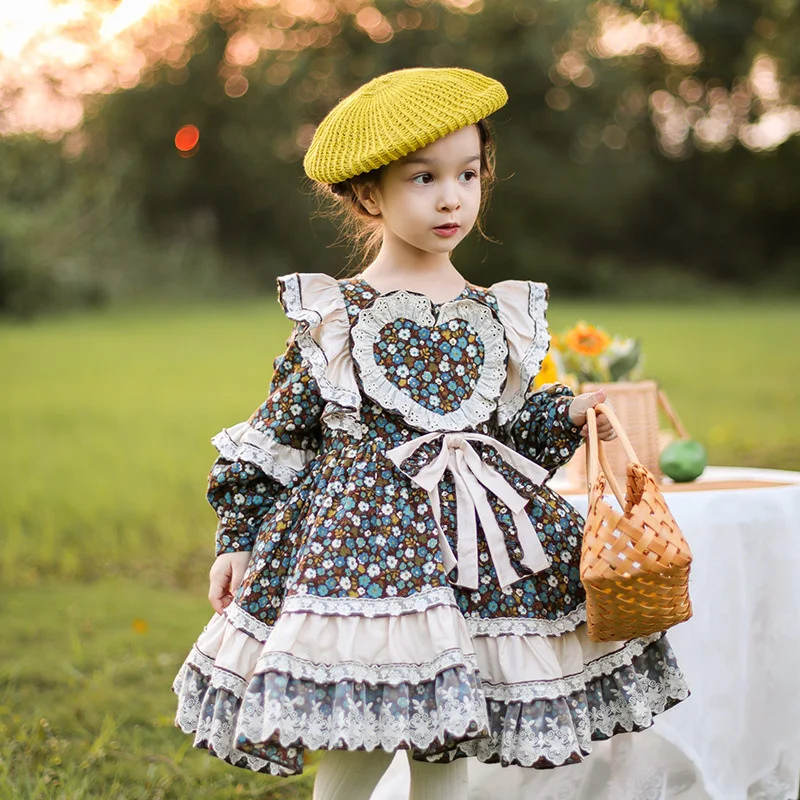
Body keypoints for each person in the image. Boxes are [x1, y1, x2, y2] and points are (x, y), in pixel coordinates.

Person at [172, 67, 689, 800]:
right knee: (360, 742)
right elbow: (278, 435)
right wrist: (238, 536)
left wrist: (566, 411)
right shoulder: (336, 317)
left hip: (472, 559)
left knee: (448, 748)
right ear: (367, 194)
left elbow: (506, 436)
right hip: (364, 560)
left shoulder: (495, 315)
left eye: (468, 174)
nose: (452, 197)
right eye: (424, 178)